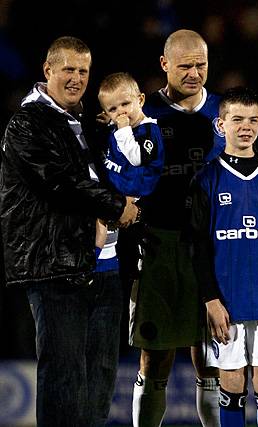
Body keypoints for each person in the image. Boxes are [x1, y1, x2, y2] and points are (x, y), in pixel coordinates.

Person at [0, 35, 139, 426]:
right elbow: (59, 182)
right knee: (64, 376)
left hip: (105, 269)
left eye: (83, 70)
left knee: (99, 378)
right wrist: (117, 207)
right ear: (48, 71)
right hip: (57, 268)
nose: (77, 78)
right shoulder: (27, 124)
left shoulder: (87, 124)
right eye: (68, 69)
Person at [128, 29, 225, 427]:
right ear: (165, 65)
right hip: (159, 244)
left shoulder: (224, 111)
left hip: (215, 246)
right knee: (155, 355)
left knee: (213, 356)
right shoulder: (142, 112)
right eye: (184, 65)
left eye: (200, 64)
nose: (194, 73)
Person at [191, 86, 258, 427]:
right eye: (237, 119)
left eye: (252, 119)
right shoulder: (206, 179)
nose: (246, 127)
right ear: (221, 125)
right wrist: (210, 299)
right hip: (226, 300)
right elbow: (198, 246)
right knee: (232, 381)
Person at [97, 71, 164, 200]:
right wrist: (111, 122)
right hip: (113, 194)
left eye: (125, 104)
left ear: (140, 100)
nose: (121, 112)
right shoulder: (117, 125)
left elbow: (137, 159)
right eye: (112, 109)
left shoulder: (150, 130)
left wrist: (123, 129)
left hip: (135, 199)